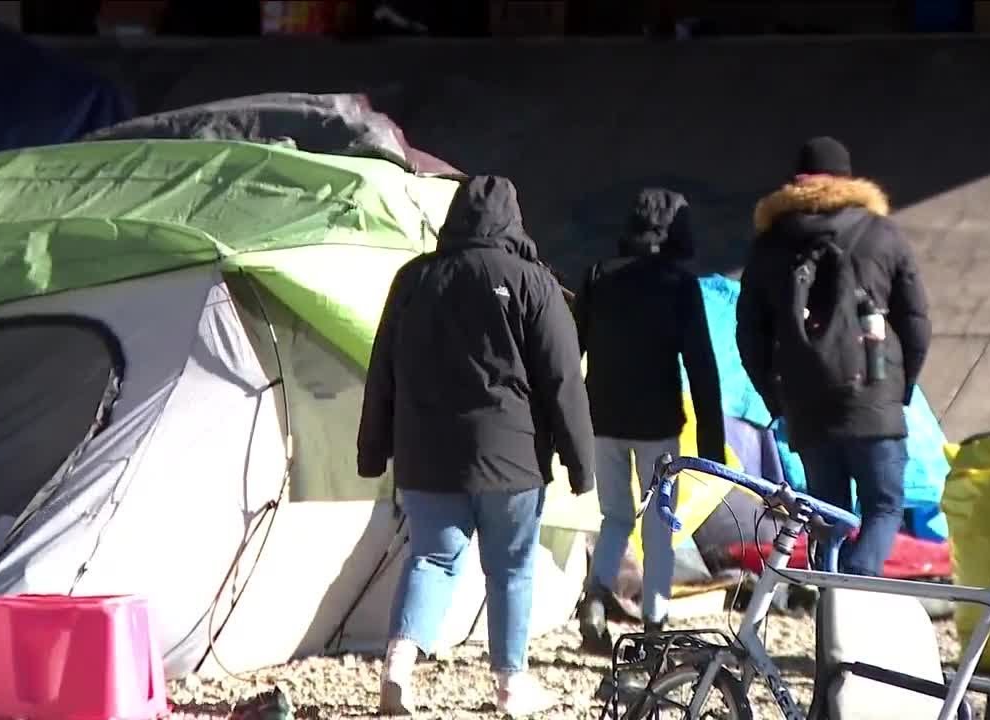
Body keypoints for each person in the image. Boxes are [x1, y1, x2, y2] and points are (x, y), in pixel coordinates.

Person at [357, 175, 596, 716]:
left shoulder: (413, 280)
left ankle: (399, 664)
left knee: (432, 560)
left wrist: (373, 449)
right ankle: (511, 686)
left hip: (427, 457)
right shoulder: (534, 282)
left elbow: (383, 373)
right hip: (512, 459)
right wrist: (581, 465)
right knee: (510, 569)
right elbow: (563, 379)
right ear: (513, 219)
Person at [735, 136, 931, 577]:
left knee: (828, 513)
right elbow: (916, 322)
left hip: (806, 401)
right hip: (874, 391)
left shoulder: (769, 245)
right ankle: (857, 587)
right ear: (848, 179)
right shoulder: (883, 235)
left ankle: (831, 607)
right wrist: (902, 387)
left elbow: (749, 335)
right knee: (883, 504)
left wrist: (775, 397)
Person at [570, 188, 726, 651]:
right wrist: (713, 447)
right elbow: (702, 366)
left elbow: (571, 351)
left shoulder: (597, 276)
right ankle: (654, 624)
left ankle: (596, 597)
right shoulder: (679, 285)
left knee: (615, 517)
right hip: (657, 425)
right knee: (660, 525)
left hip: (603, 419)